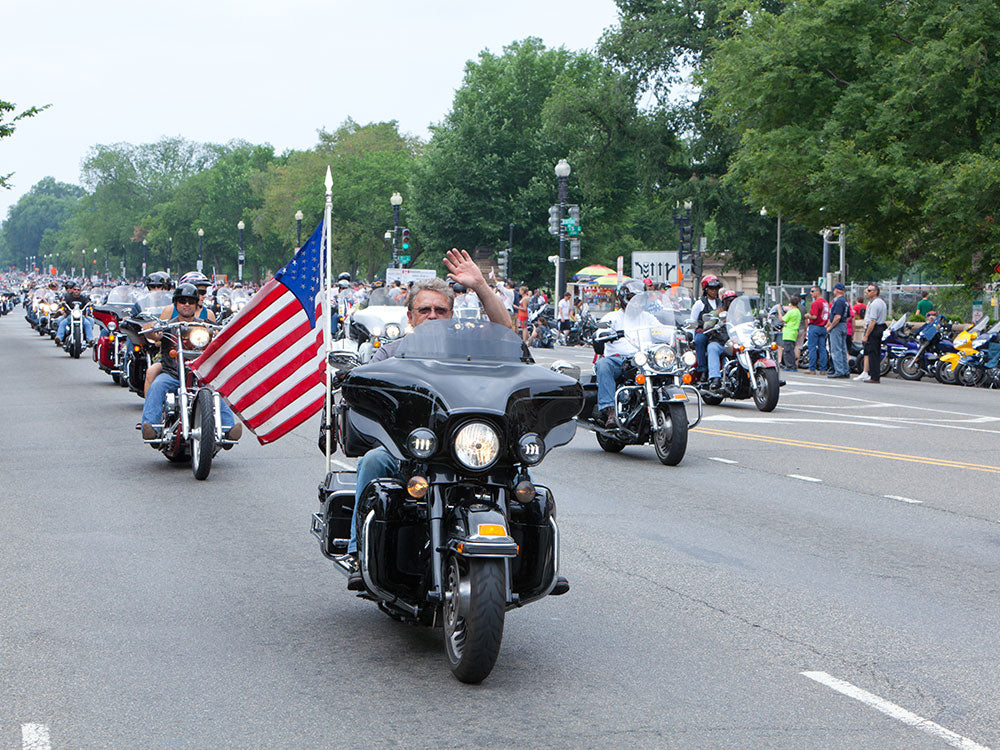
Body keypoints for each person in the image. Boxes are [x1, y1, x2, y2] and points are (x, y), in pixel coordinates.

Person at [343, 249, 512, 589]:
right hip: (410, 450)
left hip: (465, 445)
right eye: (425, 310)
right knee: (374, 463)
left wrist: (479, 285)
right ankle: (357, 553)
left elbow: (504, 329)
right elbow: (367, 386)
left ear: (451, 314)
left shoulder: (470, 346)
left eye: (440, 310)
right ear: (411, 316)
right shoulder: (391, 352)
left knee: (520, 474)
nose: (433, 316)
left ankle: (519, 556)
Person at [140, 283, 241, 440]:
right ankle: (152, 428)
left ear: (196, 304)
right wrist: (152, 332)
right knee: (157, 386)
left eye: (190, 301)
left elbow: (220, 336)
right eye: (182, 301)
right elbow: (155, 336)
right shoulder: (168, 325)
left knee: (217, 390)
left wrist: (221, 330)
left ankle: (228, 428)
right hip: (173, 374)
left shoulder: (205, 325)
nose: (186, 304)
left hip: (199, 375)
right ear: (176, 303)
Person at [594, 280, 662, 425]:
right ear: (622, 298)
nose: (635, 303)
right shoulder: (612, 318)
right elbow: (600, 333)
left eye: (639, 300)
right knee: (603, 364)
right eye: (632, 299)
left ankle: (667, 404)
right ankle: (609, 409)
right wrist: (604, 334)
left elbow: (662, 331)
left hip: (645, 360)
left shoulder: (648, 318)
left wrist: (679, 334)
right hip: (619, 361)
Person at [688, 275, 723, 382]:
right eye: (711, 288)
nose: (714, 291)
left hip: (718, 332)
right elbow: (692, 321)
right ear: (706, 289)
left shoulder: (721, 303)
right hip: (704, 331)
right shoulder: (699, 303)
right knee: (699, 340)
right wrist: (691, 337)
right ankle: (702, 369)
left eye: (716, 288)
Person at [856, 283, 887, 383]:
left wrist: (866, 335)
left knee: (872, 353)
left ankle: (874, 376)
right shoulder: (880, 302)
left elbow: (872, 321)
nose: (867, 292)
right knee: (875, 352)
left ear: (875, 292)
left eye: (869, 291)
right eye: (867, 290)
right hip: (880, 328)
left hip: (875, 329)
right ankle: (874, 374)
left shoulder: (875, 304)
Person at [826, 283, 850, 378]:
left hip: (837, 326)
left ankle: (839, 370)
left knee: (836, 350)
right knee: (843, 349)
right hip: (843, 325)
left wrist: (830, 327)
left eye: (834, 290)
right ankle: (845, 370)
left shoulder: (838, 301)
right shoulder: (845, 301)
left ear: (837, 290)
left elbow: (837, 316)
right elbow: (848, 316)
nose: (833, 291)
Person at [804, 286, 830, 374]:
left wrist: (808, 316)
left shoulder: (816, 303)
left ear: (817, 292)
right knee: (822, 348)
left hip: (815, 326)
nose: (811, 293)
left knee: (812, 348)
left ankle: (812, 368)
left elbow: (814, 316)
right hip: (823, 326)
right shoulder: (825, 302)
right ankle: (823, 369)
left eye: (812, 291)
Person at [781, 295, 802, 370]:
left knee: (787, 351)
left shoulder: (791, 312)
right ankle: (793, 365)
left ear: (791, 303)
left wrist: (779, 310)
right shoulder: (798, 312)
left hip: (788, 333)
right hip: (794, 333)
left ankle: (789, 366)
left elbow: (782, 319)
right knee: (791, 350)